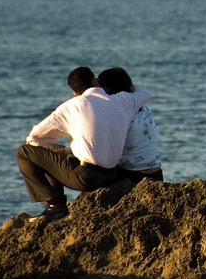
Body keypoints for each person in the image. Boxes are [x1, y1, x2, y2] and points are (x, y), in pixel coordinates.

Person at [15, 66, 150, 221]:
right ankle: (56, 205)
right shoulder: (122, 101)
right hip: (112, 175)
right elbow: (144, 92)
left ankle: (55, 205)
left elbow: (34, 138)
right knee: (50, 150)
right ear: (94, 80)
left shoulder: (73, 105)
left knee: (24, 152)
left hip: (87, 178)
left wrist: (72, 148)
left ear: (75, 92)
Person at [97, 66, 163, 183]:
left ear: (107, 88)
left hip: (133, 175)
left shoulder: (118, 113)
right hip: (156, 172)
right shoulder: (143, 108)